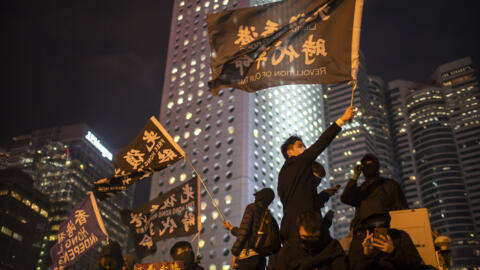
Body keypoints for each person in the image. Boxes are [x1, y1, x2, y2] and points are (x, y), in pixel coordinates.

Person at [278, 105, 355, 242]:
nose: (305, 148)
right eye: (300, 146)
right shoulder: (299, 162)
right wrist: (342, 119)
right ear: (289, 153)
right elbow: (321, 143)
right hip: (305, 227)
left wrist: (325, 194)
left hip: (290, 229)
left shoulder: (285, 173)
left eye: (304, 146)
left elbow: (306, 200)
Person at [340, 153, 409, 233]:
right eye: (366, 165)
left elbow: (402, 209)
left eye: (371, 164)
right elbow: (346, 198)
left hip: (386, 229)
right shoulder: (361, 190)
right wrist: (355, 177)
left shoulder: (390, 185)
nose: (369, 167)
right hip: (363, 231)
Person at [348, 212, 423, 270]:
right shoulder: (358, 242)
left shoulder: (399, 236)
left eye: (382, 223)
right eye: (373, 224)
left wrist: (393, 252)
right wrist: (367, 255)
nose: (377, 226)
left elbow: (415, 264)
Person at [223, 188, 276, 270]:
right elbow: (249, 233)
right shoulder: (269, 217)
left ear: (260, 197)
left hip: (247, 259)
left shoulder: (252, 208)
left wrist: (235, 253)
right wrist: (231, 228)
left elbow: (244, 233)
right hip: (261, 261)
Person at [276, 211, 347, 270]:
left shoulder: (332, 247)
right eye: (306, 237)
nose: (310, 241)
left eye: (314, 237)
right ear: (298, 231)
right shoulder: (289, 250)